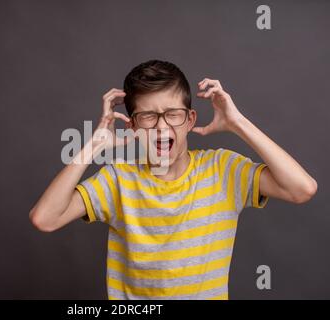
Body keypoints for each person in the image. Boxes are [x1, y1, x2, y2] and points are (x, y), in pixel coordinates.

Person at [29, 59, 318, 300]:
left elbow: (301, 189)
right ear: (131, 126)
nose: (161, 126)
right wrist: (95, 143)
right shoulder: (118, 179)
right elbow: (45, 219)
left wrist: (236, 123)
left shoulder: (222, 169)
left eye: (172, 114)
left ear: (190, 120)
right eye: (148, 117)